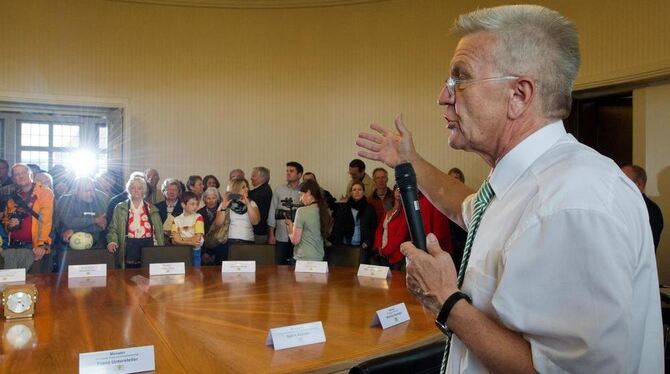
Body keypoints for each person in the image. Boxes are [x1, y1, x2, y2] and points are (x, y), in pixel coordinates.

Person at [356, 5, 662, 373]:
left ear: (519, 95)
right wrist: (410, 160)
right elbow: (466, 207)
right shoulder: (523, 184)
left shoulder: (573, 203)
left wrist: (447, 301)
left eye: (460, 79)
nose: (443, 95)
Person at [372, 185, 452, 271]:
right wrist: (379, 247)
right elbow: (380, 229)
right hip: (426, 248)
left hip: (429, 249)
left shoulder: (419, 204)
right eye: (397, 190)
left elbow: (401, 235)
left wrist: (386, 250)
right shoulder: (391, 209)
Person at [1, 164, 54, 272]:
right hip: (14, 247)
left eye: (24, 173)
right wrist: (9, 225)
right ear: (13, 179)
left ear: (31, 175)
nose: (20, 176)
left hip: (34, 247)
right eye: (17, 174)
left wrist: (41, 244)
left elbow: (45, 220)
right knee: (14, 284)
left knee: (36, 284)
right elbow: (6, 221)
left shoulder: (44, 192)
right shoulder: (13, 196)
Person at [107, 174, 164, 268]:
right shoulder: (120, 208)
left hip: (148, 248)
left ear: (144, 191)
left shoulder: (152, 209)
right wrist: (112, 241)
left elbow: (159, 232)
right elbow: (113, 228)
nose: (136, 190)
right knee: (128, 279)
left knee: (147, 277)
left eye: (140, 188)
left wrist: (160, 250)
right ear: (129, 190)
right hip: (127, 248)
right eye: (133, 188)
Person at [55, 176, 109, 250]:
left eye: (93, 190)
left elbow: (102, 225)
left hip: (97, 244)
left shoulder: (101, 199)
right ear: (76, 191)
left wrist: (75, 230)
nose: (91, 193)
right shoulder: (65, 200)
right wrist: (95, 220)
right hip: (68, 244)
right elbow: (69, 222)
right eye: (87, 191)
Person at [331, 181, 377, 264]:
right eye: (354, 190)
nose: (356, 192)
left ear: (363, 192)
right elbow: (337, 227)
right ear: (350, 192)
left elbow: (373, 228)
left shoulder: (369, 208)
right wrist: (338, 242)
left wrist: (368, 242)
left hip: (363, 245)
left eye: (359, 189)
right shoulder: (343, 208)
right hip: (346, 244)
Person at [285, 180, 332, 262]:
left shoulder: (302, 211)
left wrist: (290, 226)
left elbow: (295, 240)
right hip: (319, 256)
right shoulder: (325, 211)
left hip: (303, 257)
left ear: (309, 192)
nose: (300, 199)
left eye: (301, 195)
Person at [622, 164, 664, 251]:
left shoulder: (651, 210)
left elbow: (645, 246)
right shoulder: (617, 205)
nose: (618, 185)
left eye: (623, 181)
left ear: (639, 184)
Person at [267, 162, 303, 265]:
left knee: (297, 265)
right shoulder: (279, 189)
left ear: (299, 174)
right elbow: (272, 211)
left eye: (291, 171)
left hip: (299, 236)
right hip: (281, 235)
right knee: (280, 266)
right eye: (287, 171)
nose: (288, 173)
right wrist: (271, 234)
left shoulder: (305, 191)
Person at [171, 191, 205, 266]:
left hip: (195, 252)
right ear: (183, 205)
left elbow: (197, 239)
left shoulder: (198, 217)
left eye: (196, 204)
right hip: (181, 251)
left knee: (196, 273)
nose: (195, 206)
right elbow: (175, 240)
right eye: (192, 204)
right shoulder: (176, 220)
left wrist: (181, 239)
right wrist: (190, 242)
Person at [223, 178, 260, 244]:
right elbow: (219, 223)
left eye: (246, 187)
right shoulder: (228, 202)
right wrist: (224, 206)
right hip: (232, 239)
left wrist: (247, 203)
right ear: (236, 189)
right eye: (243, 187)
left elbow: (255, 222)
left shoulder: (252, 203)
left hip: (248, 239)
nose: (247, 189)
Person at [447, 167, 467, 273]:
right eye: (451, 177)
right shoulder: (442, 195)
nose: (454, 180)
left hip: (461, 238)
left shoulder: (467, 195)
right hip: (447, 237)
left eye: (457, 178)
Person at [198, 187, 225, 265]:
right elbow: (198, 235)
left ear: (218, 199)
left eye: (214, 198)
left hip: (219, 248)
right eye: (208, 198)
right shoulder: (199, 213)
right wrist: (204, 252)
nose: (211, 201)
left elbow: (223, 233)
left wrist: (215, 254)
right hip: (204, 247)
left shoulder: (222, 212)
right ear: (204, 199)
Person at [248, 166, 272, 244]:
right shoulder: (261, 190)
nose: (251, 178)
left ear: (262, 178)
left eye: (253, 176)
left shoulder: (263, 192)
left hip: (259, 232)